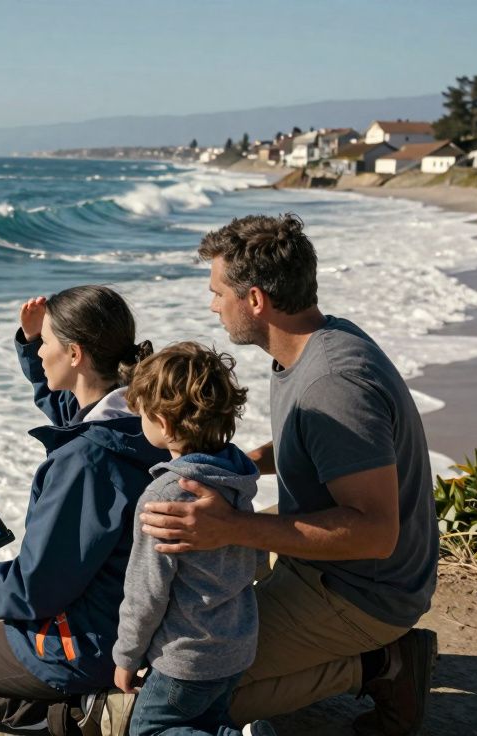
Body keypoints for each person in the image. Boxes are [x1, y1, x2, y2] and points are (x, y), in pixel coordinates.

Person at [139, 214, 438, 735]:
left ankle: (383, 664)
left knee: (183, 695)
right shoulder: (312, 344)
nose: (213, 306)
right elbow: (321, 445)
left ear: (255, 299)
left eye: (218, 293)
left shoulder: (333, 382)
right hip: (332, 568)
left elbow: (375, 532)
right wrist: (247, 462)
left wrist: (232, 528)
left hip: (362, 592)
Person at [0, 285, 167, 736]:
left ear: (74, 354)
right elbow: (75, 412)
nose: (41, 351)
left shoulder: (85, 463)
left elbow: (36, 589)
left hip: (88, 646)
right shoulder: (144, 417)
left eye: (46, 344)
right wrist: (32, 341)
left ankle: (86, 715)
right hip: (135, 620)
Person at [112, 341, 276, 736]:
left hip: (186, 655)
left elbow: (147, 591)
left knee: (150, 731)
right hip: (237, 645)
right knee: (204, 722)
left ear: (163, 424)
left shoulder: (164, 497)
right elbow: (255, 561)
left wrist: (126, 656)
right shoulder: (235, 478)